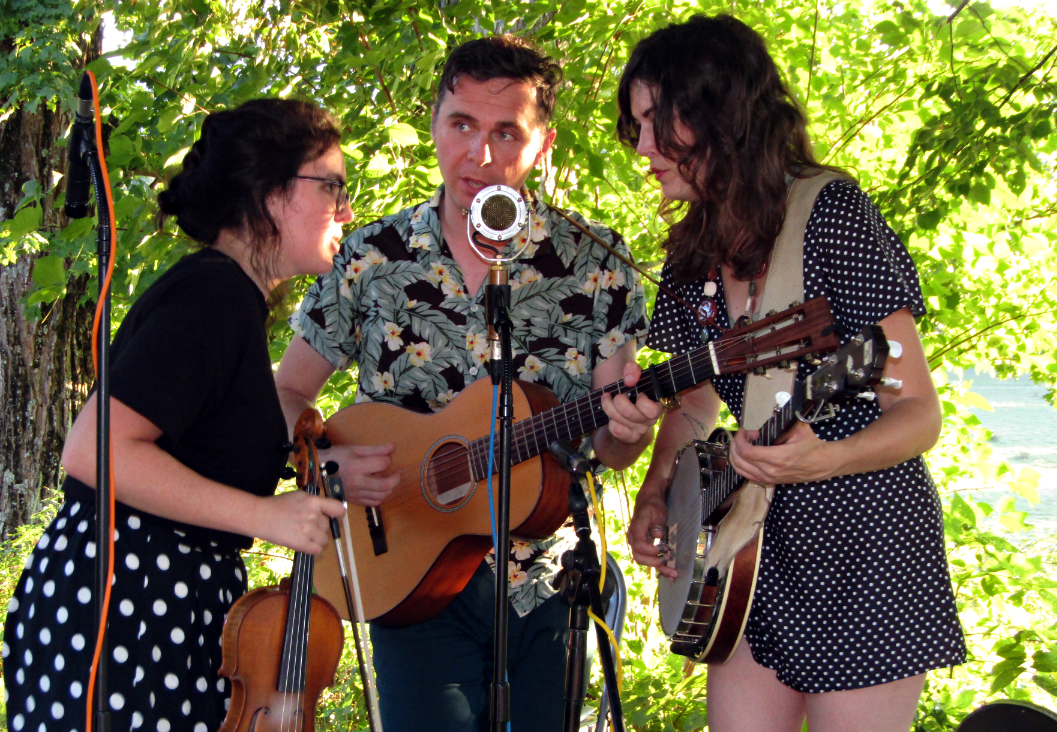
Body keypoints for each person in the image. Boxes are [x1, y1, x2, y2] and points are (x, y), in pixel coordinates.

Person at [276, 35, 662, 732]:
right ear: (433, 126)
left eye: (505, 133)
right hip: (407, 572)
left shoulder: (595, 260)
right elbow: (284, 394)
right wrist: (326, 467)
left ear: (542, 146)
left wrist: (630, 430)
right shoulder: (371, 258)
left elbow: (610, 447)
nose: (479, 157)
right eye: (461, 126)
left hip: (554, 584)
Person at [618, 14, 966, 732]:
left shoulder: (831, 215)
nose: (644, 148)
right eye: (637, 126)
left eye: (657, 122)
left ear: (720, 113)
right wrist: (656, 493)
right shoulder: (690, 254)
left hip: (866, 547)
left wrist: (825, 457)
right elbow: (695, 403)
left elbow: (918, 412)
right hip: (747, 555)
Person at [2, 98, 350, 732]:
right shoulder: (212, 295)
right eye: (331, 187)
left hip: (157, 603)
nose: (345, 210)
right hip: (126, 607)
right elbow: (95, 451)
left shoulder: (231, 301)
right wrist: (266, 517)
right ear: (272, 195)